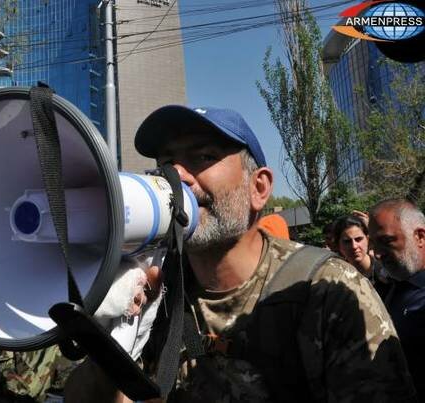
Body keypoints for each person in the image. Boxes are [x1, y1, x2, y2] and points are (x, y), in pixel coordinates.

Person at [65, 105, 415, 402]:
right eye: (167, 162)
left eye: (204, 157)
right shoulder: (157, 289)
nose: (178, 176)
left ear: (258, 188)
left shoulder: (325, 290)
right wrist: (112, 342)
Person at [369, 199, 425, 402]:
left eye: (386, 241)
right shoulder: (390, 288)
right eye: (373, 243)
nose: (376, 253)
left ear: (419, 236)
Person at [333, 214, 391, 298]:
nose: (354, 246)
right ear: (338, 245)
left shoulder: (387, 272)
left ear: (367, 239)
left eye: (358, 239)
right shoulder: (337, 280)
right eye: (347, 241)